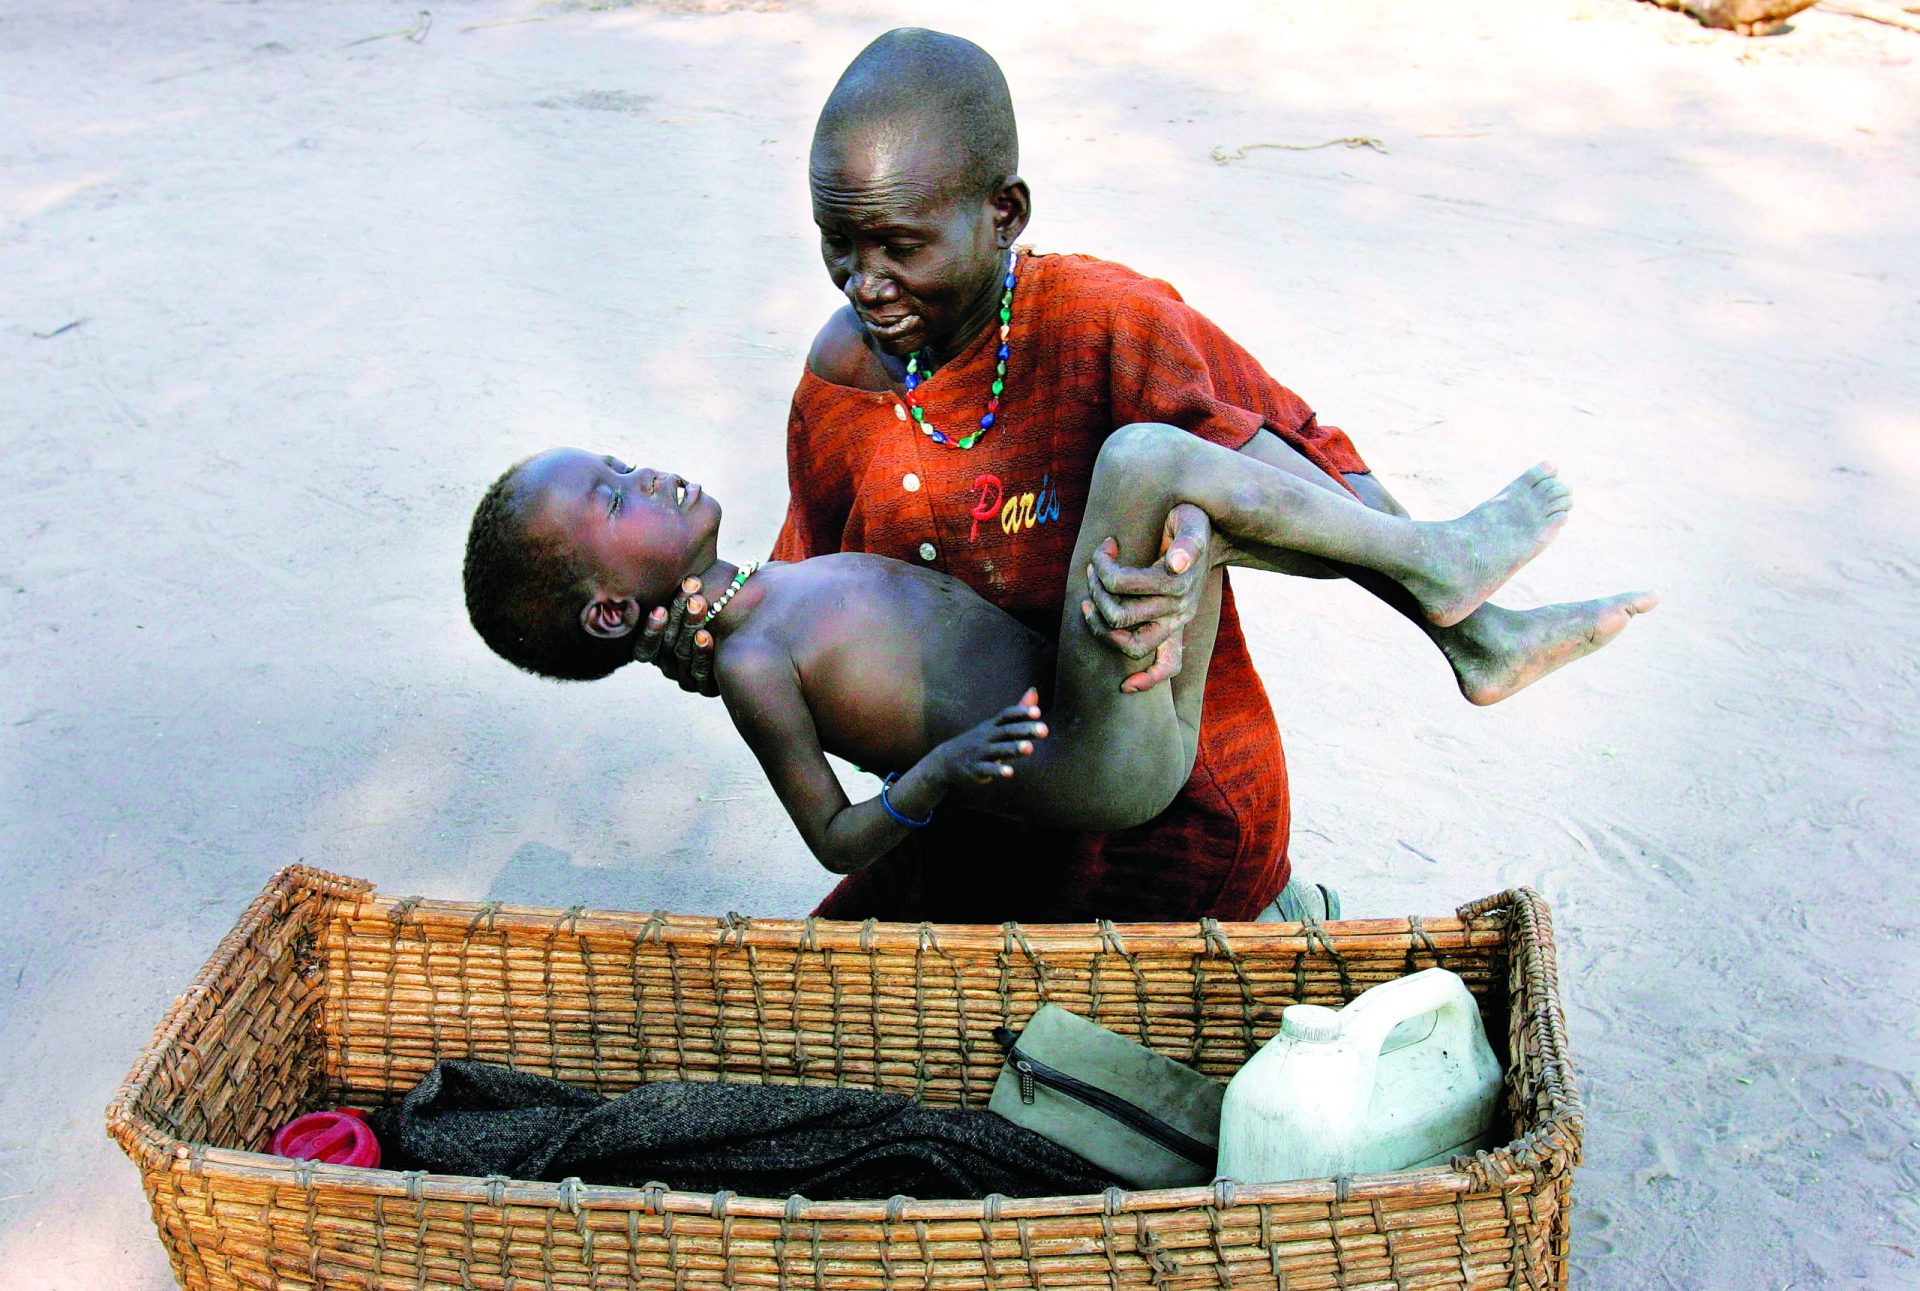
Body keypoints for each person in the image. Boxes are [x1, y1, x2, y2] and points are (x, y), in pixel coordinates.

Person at [635, 28, 1654, 921]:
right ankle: (1466, 620)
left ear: (1005, 213)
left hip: (1171, 807)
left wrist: (1188, 549)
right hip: (985, 820)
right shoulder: (840, 395)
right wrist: (705, 644)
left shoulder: (1104, 321)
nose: (865, 281)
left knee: (1170, 465)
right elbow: (809, 611)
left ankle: (1460, 617)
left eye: (900, 246)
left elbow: (1293, 464)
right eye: (837, 243)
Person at [462, 428, 1650, 878]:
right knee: (1142, 461)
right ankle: (1437, 573)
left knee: (1199, 489)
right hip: (1091, 762)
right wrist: (937, 774)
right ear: (614, 613)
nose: (647, 473)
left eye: (620, 459)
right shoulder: (751, 667)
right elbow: (832, 839)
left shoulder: (767, 586)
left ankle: (1471, 631)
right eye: (616, 497)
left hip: (1105, 695)